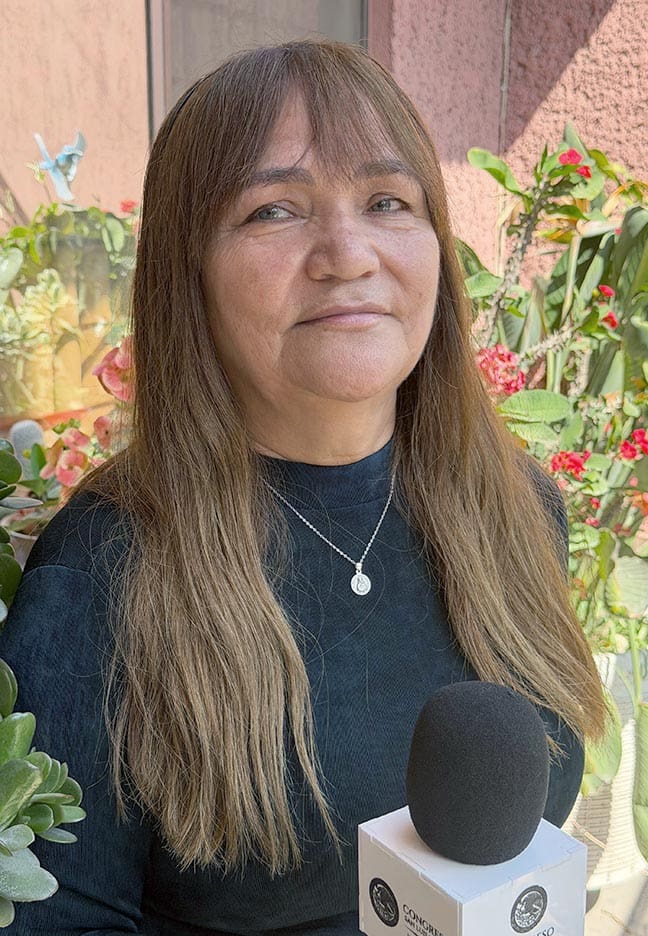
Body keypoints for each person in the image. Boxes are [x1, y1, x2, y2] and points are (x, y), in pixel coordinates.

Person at [1, 39, 605, 936]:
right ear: (188, 273)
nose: (347, 254)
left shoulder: (518, 508)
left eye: (387, 201)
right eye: (274, 209)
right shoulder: (103, 574)